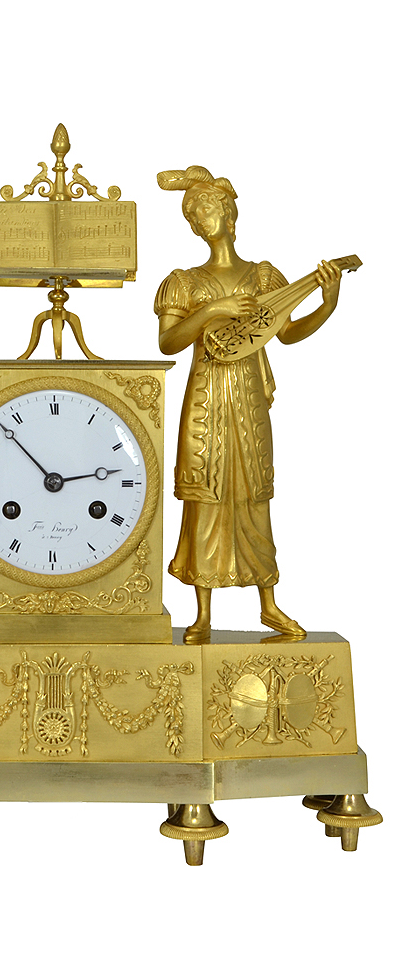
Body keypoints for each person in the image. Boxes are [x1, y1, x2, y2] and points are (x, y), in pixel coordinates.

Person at [155, 166, 340, 642]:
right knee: (205, 494)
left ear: (229, 213)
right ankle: (202, 613)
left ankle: (269, 605)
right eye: (193, 213)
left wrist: (327, 304)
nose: (201, 217)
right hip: (205, 398)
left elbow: (288, 333)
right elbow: (168, 342)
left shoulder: (262, 277)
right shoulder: (183, 282)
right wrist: (212, 311)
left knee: (254, 493)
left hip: (249, 399)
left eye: (207, 207)